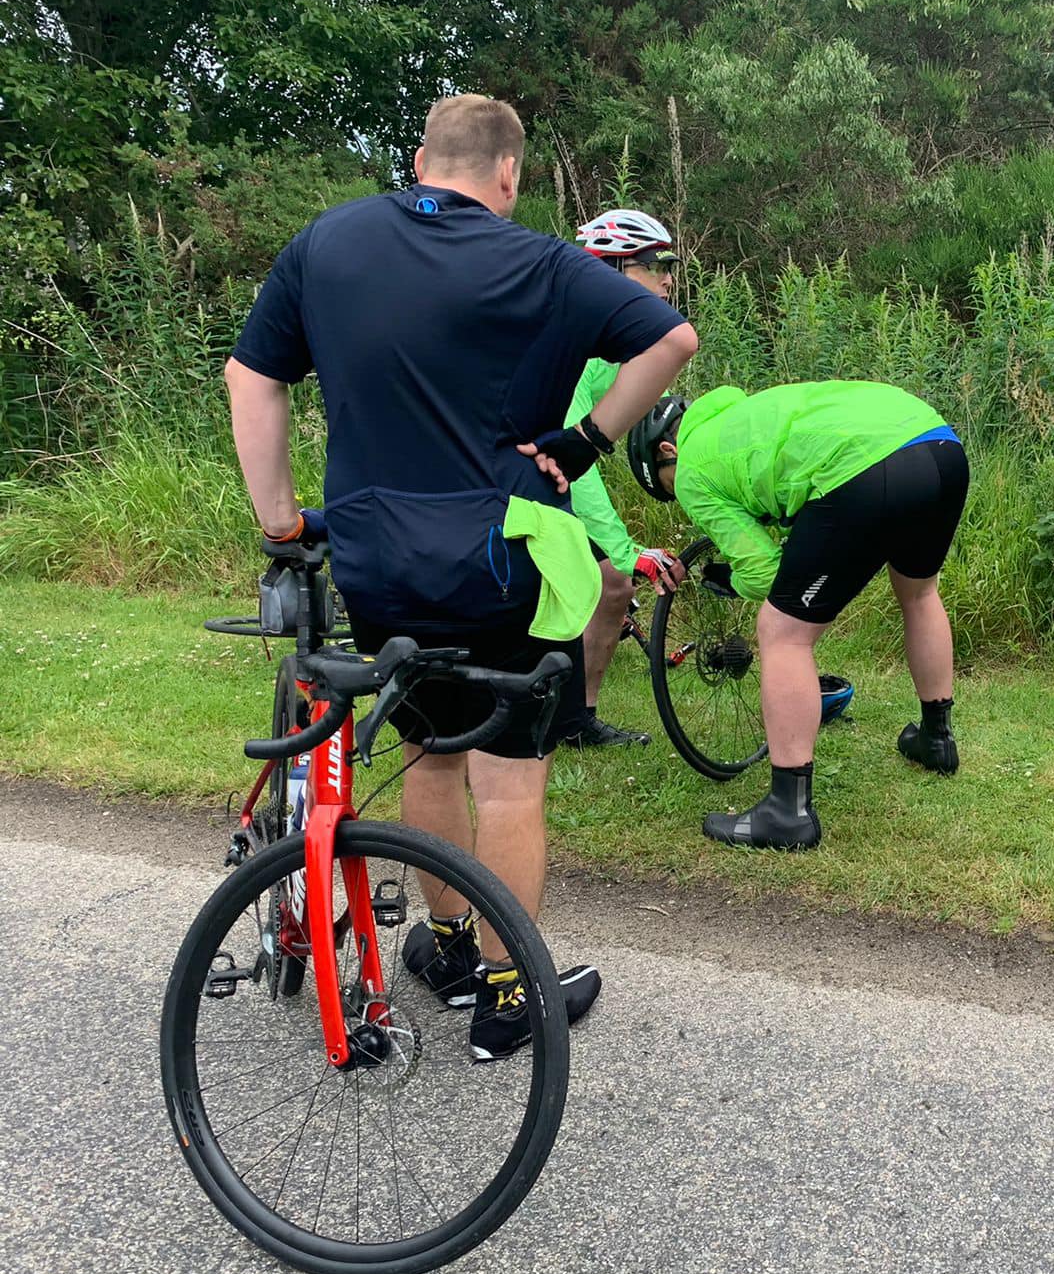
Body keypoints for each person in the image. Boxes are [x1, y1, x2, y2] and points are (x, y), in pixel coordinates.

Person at [225, 94, 699, 1058]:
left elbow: (252, 377)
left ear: (419, 159)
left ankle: (441, 947)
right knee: (511, 780)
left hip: (375, 557)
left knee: (430, 751)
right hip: (499, 555)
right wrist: (585, 440)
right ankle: (510, 993)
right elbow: (670, 339)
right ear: (509, 177)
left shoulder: (328, 246)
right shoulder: (542, 264)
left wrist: (280, 518)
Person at [624, 380, 969, 850]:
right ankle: (936, 739)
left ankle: (788, 811)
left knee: (782, 631)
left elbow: (764, 570)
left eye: (664, 485)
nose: (675, 494)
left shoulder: (691, 469)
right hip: (938, 445)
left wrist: (729, 582)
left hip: (867, 468)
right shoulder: (740, 417)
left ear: (667, 450)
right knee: (919, 593)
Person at [557, 209, 691, 748]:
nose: (668, 277)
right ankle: (562, 720)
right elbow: (569, 458)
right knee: (610, 578)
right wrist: (623, 545)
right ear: (613, 270)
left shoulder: (606, 331)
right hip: (504, 480)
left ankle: (573, 719)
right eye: (655, 263)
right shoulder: (572, 332)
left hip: (533, 474)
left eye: (670, 263)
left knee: (608, 585)